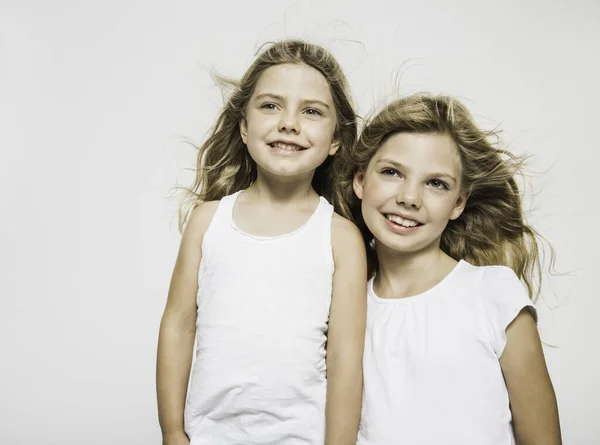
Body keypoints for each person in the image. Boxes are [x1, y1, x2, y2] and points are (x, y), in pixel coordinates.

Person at [156, 40, 367, 445]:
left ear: (336, 140)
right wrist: (172, 431)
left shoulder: (341, 238)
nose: (289, 123)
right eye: (271, 105)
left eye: (311, 111)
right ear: (243, 126)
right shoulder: (207, 222)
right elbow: (179, 326)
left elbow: (344, 359)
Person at [334, 93, 562, 444]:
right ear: (360, 181)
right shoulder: (344, 311)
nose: (409, 198)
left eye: (435, 183)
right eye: (392, 172)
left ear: (458, 203)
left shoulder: (494, 293)